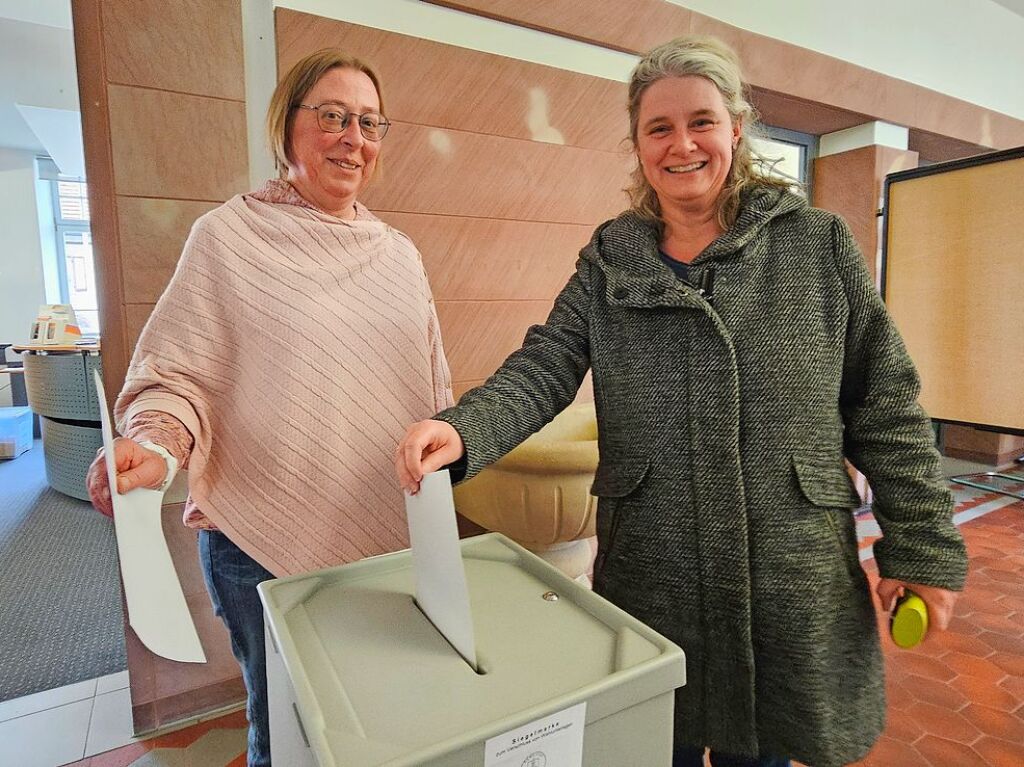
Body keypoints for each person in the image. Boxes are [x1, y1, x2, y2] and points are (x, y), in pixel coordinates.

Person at [396, 36, 966, 767]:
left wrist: (920, 543)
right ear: (638, 146)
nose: (682, 144)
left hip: (787, 573)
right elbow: (545, 364)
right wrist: (461, 428)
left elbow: (885, 405)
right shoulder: (612, 259)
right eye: (658, 128)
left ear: (736, 126)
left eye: (701, 121)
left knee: (758, 750)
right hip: (653, 569)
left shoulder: (816, 246)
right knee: (650, 740)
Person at [87, 49, 452, 767]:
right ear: (289, 130)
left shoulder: (397, 255)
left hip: (384, 532)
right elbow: (178, 375)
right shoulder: (227, 239)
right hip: (258, 546)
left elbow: (432, 388)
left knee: (369, 720)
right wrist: (154, 446)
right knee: (284, 730)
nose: (354, 137)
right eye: (334, 117)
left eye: (370, 122)